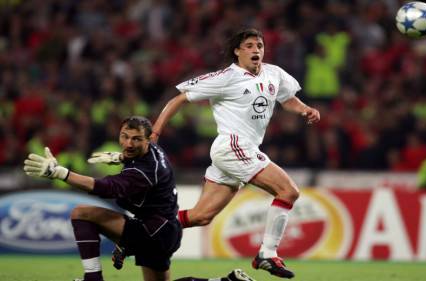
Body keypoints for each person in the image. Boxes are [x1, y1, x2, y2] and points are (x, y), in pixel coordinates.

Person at [151, 28, 320, 279]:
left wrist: (306, 109)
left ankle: (142, 228)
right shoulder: (226, 77)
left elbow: (288, 99)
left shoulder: (274, 74)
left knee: (200, 216)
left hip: (243, 150)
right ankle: (267, 254)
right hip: (233, 146)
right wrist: (154, 134)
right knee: (288, 191)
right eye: (250, 45)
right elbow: (179, 99)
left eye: (259, 45)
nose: (256, 50)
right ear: (237, 51)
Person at [23, 116, 256, 281]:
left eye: (136, 140)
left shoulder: (144, 172)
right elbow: (135, 158)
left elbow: (105, 188)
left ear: (147, 140)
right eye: (124, 137)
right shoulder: (154, 150)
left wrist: (59, 173)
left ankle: (92, 278)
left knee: (82, 213)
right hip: (165, 229)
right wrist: (120, 157)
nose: (128, 143)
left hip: (153, 231)